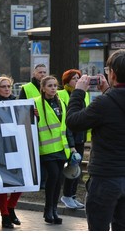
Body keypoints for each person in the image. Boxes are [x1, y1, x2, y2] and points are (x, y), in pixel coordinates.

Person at [66, 49, 125, 231]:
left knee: (98, 230)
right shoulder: (108, 101)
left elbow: (73, 122)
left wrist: (78, 93)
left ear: (112, 73)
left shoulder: (103, 104)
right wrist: (107, 90)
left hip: (106, 178)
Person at [34, 75, 74, 225]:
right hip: (46, 148)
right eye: (49, 85)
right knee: (54, 175)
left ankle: (54, 210)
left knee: (58, 180)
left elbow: (67, 127)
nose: (53, 88)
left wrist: (72, 147)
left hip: (61, 149)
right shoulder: (36, 103)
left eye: (55, 85)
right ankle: (48, 209)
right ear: (43, 88)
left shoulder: (62, 103)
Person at [0, 76, 22, 229]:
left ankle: (11, 206)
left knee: (21, 179)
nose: (7, 89)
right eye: (3, 87)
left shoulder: (17, 103)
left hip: (14, 146)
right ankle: (5, 214)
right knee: (3, 183)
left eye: (9, 86)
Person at [57, 69, 87, 209]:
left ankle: (72, 196)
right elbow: (65, 118)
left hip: (80, 136)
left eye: (78, 78)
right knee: (71, 166)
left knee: (77, 167)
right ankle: (67, 195)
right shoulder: (61, 94)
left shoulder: (84, 94)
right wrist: (71, 143)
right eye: (74, 78)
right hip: (68, 137)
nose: (77, 80)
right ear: (67, 80)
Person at [19, 63, 48, 189]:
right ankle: (38, 180)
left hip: (46, 126)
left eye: (44, 72)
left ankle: (44, 180)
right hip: (32, 126)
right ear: (34, 73)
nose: (42, 74)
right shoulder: (26, 88)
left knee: (45, 155)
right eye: (40, 72)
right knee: (34, 155)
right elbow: (20, 107)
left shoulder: (49, 86)